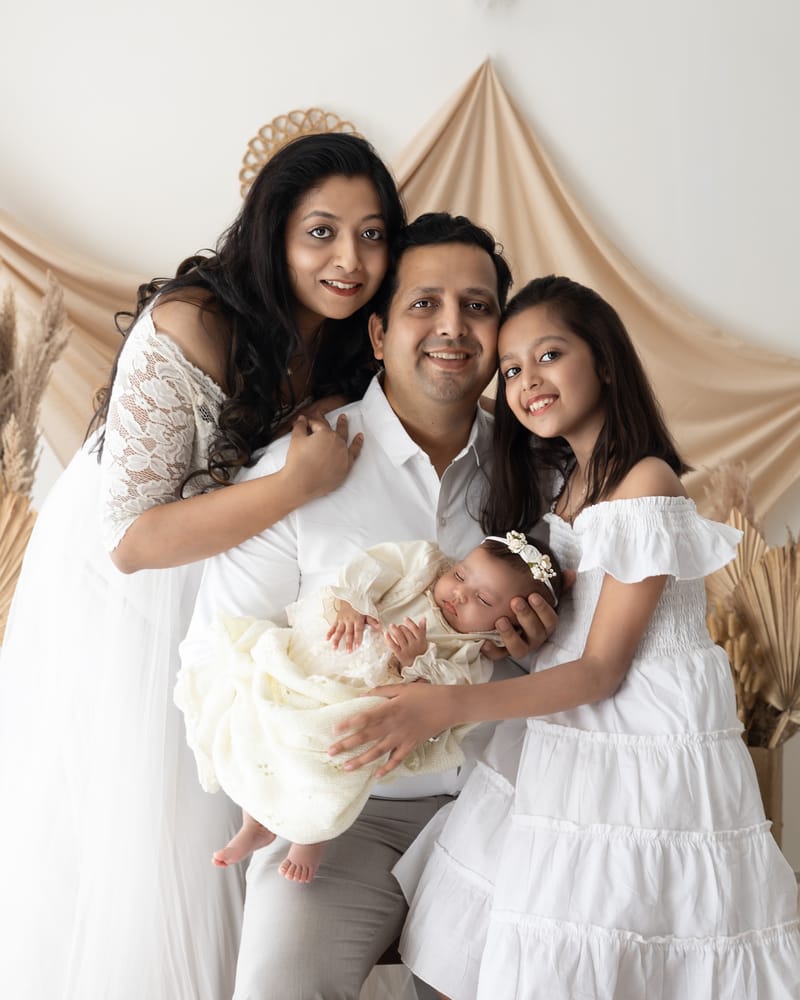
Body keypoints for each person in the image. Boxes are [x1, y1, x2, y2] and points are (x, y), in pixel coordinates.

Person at [0, 132, 406, 1000]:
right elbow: (133, 541)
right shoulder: (192, 322)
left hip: (242, 582)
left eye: (372, 235)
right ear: (274, 232)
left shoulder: (356, 342)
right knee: (163, 833)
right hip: (130, 592)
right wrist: (294, 484)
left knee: (253, 806)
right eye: (322, 232)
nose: (350, 259)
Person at [330, 275, 800, 999]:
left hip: (641, 743)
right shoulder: (569, 485)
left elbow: (604, 668)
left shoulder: (645, 482)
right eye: (512, 369)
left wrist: (444, 706)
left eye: (549, 356)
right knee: (498, 938)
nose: (529, 381)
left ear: (604, 361)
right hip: (567, 730)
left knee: (612, 937)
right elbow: (570, 643)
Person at [182, 212, 560, 999]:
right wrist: (285, 790)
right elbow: (223, 651)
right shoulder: (296, 468)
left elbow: (597, 665)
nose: (453, 327)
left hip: (503, 808)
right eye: (425, 303)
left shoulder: (550, 477)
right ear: (380, 333)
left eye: (478, 307)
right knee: (277, 986)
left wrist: (542, 643)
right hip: (339, 817)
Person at [176, 533, 562, 883]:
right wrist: (350, 606)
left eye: (483, 600)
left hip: (353, 704)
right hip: (315, 660)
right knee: (257, 714)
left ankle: (309, 835)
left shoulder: (469, 654)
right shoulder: (423, 566)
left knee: (331, 753)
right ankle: (254, 821)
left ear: (502, 629)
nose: (460, 593)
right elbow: (369, 568)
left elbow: (442, 703)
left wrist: (416, 661)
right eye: (460, 575)